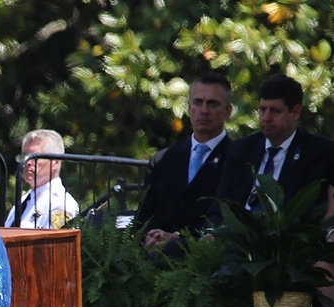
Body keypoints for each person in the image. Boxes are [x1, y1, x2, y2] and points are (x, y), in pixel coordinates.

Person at [135, 72, 233, 254]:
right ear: (189, 107)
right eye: (197, 102)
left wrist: (178, 240)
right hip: (154, 260)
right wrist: (152, 235)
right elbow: (144, 215)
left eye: (213, 104)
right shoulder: (163, 160)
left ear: (228, 111)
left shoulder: (237, 159)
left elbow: (224, 220)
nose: (204, 111)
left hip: (204, 260)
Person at [212, 73, 334, 213]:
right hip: (238, 232)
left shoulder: (319, 153)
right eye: (263, 110)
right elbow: (220, 207)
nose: (266, 118)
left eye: (275, 111)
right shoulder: (241, 149)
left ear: (295, 113)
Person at [4, 129, 79, 229]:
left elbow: (57, 243)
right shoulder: (23, 201)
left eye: (34, 157)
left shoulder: (61, 204)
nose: (28, 162)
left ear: (55, 162)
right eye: (24, 156)